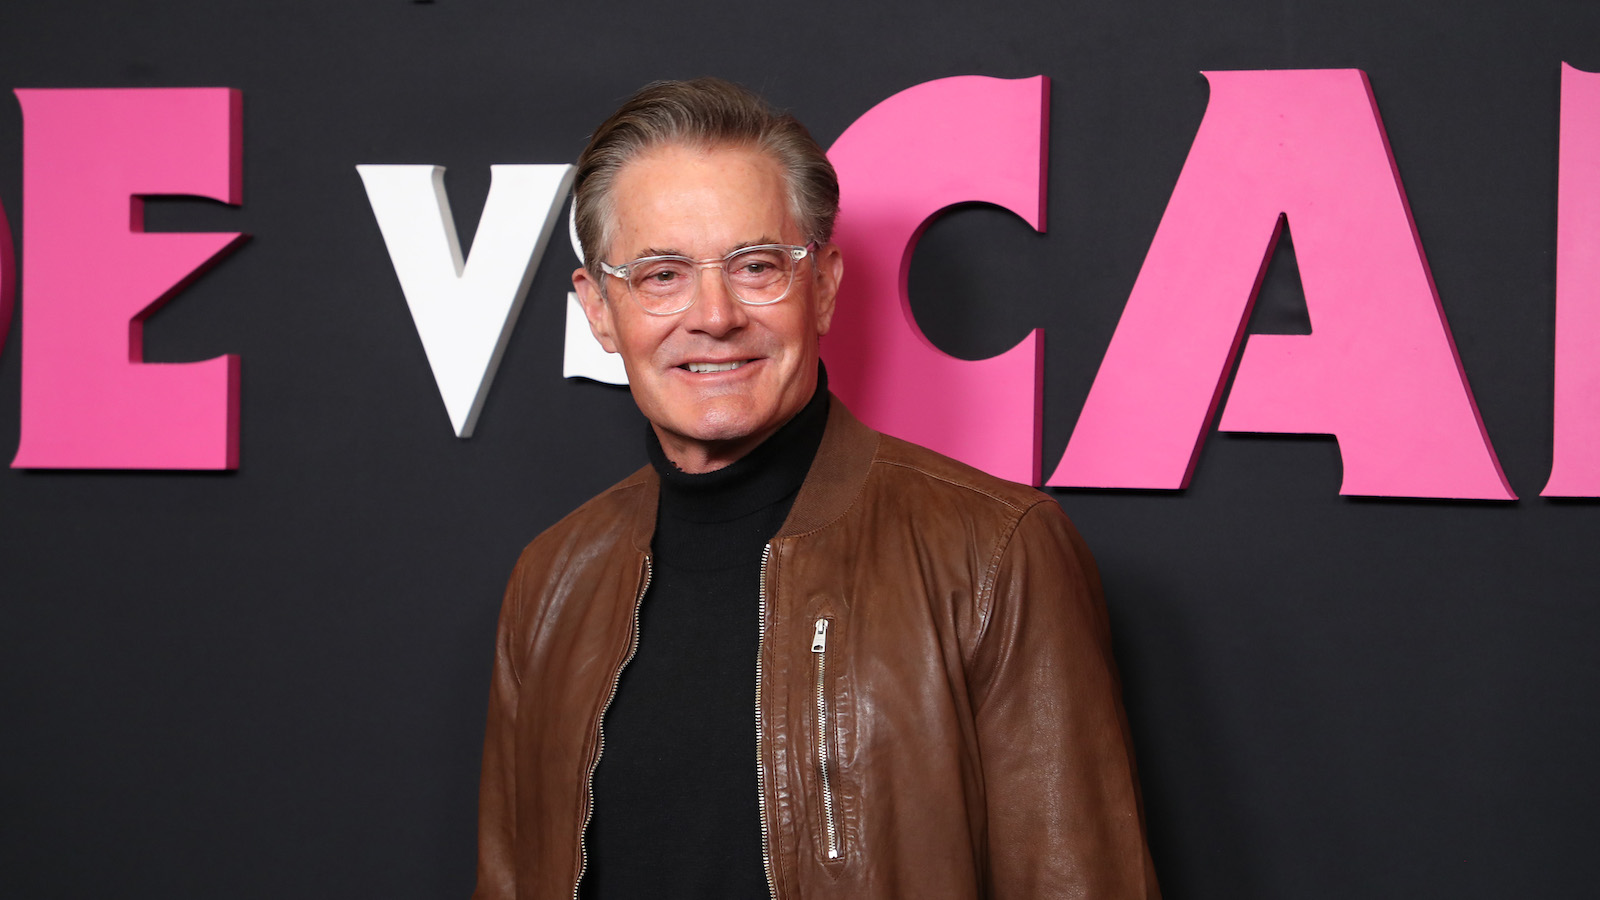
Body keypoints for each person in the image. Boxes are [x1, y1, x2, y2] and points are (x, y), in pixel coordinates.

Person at [472, 77, 1160, 900]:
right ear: (599, 311)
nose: (715, 315)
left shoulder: (996, 552)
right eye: (661, 275)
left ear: (824, 286)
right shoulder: (551, 578)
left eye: (757, 265)